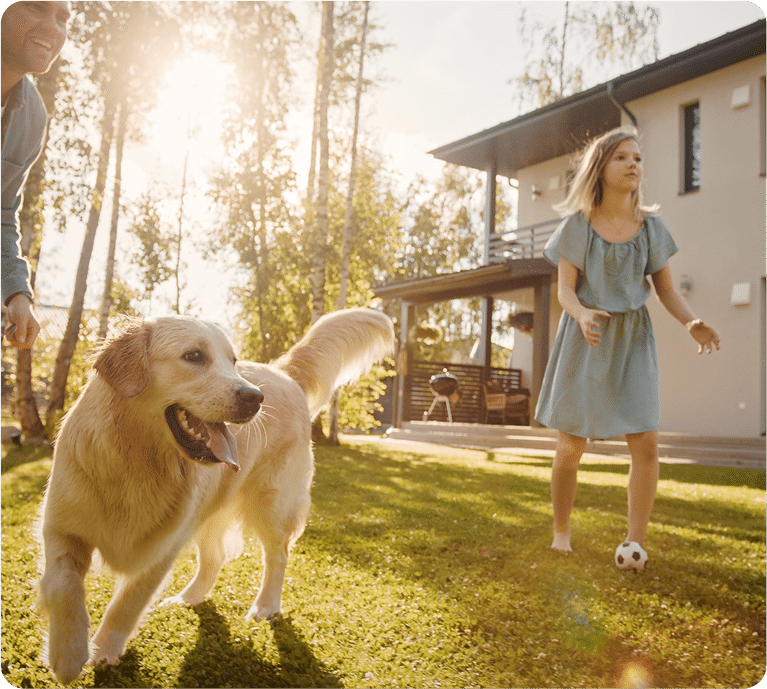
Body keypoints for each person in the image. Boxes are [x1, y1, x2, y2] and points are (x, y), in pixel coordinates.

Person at [534, 126, 720, 561]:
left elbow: (666, 290)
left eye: (637, 158)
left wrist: (692, 322)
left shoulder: (652, 228)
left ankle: (635, 541)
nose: (634, 164)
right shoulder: (577, 226)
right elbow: (564, 291)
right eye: (622, 157)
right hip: (586, 338)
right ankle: (561, 531)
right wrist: (581, 315)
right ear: (600, 167)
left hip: (635, 341)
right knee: (570, 448)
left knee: (647, 443)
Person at [1, 0, 71, 349]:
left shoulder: (32, 120)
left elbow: (1, 215)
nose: (54, 28)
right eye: (36, 7)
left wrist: (16, 293)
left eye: (62, 17)